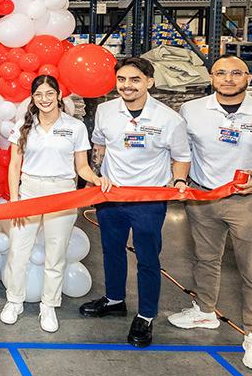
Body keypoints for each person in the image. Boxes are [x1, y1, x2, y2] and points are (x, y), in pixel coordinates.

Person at [168, 56, 252, 372]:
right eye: (221, 73)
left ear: (248, 77)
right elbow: (182, 150)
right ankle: (204, 310)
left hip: (249, 201)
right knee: (205, 259)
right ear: (211, 78)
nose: (228, 79)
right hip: (204, 197)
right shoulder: (192, 110)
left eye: (236, 73)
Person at [80, 56, 191, 348]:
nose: (127, 86)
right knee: (111, 250)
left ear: (149, 83)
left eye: (134, 80)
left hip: (148, 199)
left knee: (147, 259)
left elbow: (181, 156)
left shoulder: (169, 119)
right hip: (112, 196)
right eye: (122, 80)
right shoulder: (105, 111)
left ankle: (146, 315)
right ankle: (115, 299)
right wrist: (96, 175)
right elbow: (100, 144)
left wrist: (179, 181)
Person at [0, 75, 111, 331]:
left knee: (56, 253)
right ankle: (14, 301)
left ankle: (49, 306)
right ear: (32, 98)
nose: (44, 99)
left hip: (62, 191)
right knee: (19, 251)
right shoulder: (24, 125)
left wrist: (96, 178)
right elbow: (14, 165)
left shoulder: (75, 127)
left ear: (59, 95)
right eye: (38, 94)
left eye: (49, 93)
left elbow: (81, 166)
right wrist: (15, 199)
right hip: (28, 190)